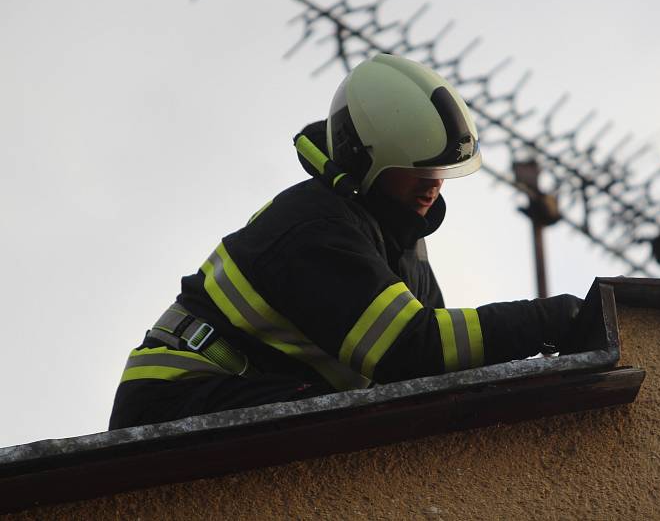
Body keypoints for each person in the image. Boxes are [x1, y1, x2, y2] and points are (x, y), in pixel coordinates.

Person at [109, 54, 582, 430]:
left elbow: (440, 368)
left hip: (255, 390)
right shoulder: (315, 227)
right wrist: (552, 320)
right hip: (179, 398)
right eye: (416, 167)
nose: (433, 183)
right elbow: (412, 351)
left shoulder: (401, 245)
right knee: (357, 431)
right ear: (363, 159)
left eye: (439, 168)